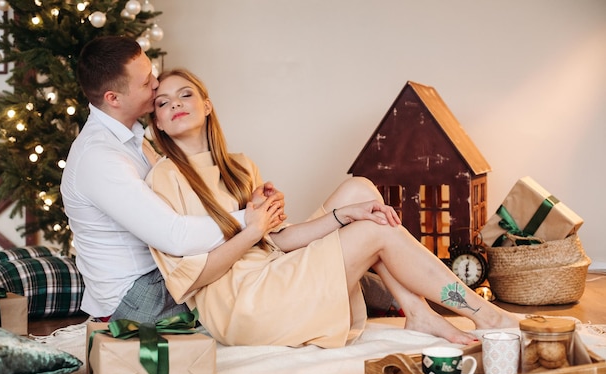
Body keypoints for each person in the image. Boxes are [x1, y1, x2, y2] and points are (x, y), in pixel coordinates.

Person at [145, 68, 519, 348]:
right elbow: (189, 279)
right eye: (163, 102)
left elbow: (281, 241)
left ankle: (418, 312)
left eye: (186, 94)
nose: (175, 104)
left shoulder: (240, 166)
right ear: (157, 123)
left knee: (361, 192)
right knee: (375, 229)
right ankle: (485, 315)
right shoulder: (164, 178)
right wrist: (254, 231)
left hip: (273, 271)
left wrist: (344, 215)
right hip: (242, 304)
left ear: (207, 106)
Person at [60, 36, 285, 323]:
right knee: (256, 277)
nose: (155, 84)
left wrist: (257, 212)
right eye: (145, 83)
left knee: (264, 264)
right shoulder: (100, 157)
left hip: (169, 271)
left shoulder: (133, 140)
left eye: (151, 73)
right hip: (138, 297)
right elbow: (175, 237)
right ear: (113, 99)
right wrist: (249, 220)